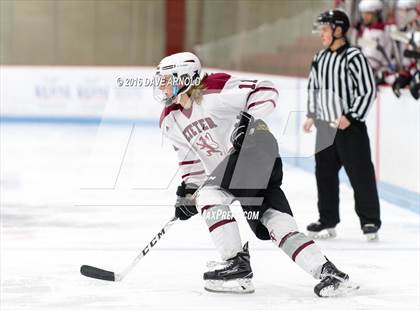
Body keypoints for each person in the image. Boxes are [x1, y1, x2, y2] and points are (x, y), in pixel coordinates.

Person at [155, 51, 358, 297]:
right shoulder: (170, 120)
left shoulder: (214, 87)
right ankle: (329, 273)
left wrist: (247, 120)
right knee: (274, 221)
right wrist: (188, 192)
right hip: (238, 173)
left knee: (208, 194)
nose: (162, 85)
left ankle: (236, 265)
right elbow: (191, 162)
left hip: (255, 151)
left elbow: (266, 90)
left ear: (185, 77)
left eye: (167, 79)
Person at [304, 10, 381, 241]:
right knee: (324, 175)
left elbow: (368, 89)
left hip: (350, 129)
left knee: (360, 175)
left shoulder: (354, 56)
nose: (322, 34)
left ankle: (369, 221)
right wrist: (311, 114)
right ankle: (327, 219)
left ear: (338, 30)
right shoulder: (319, 58)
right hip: (325, 128)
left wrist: (352, 115)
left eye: (325, 29)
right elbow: (313, 88)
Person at [355, 0, 394, 85]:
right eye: (363, 13)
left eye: (368, 13)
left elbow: (372, 62)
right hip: (367, 74)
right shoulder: (366, 30)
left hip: (378, 76)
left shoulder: (381, 31)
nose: (364, 16)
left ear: (376, 14)